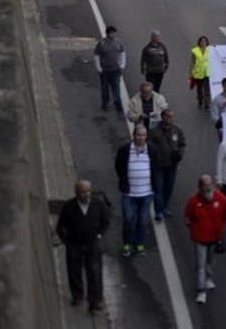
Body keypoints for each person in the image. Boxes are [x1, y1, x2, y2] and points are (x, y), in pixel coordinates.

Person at [55, 179, 109, 311]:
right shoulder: (69, 207)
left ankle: (95, 301)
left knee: (95, 272)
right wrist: (66, 241)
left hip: (92, 243)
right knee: (74, 271)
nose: (86, 194)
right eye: (82, 192)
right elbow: (60, 226)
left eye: (88, 191)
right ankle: (78, 296)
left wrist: (100, 234)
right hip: (74, 244)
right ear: (76, 193)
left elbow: (105, 221)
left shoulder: (98, 204)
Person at [183, 174, 226, 305]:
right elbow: (187, 219)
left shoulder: (221, 199)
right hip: (200, 239)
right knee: (200, 265)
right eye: (205, 186)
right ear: (200, 188)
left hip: (215, 238)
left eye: (210, 186)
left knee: (210, 261)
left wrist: (222, 229)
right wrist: (195, 230)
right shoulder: (193, 201)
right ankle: (201, 291)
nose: (208, 189)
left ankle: (209, 277)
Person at [114, 125, 159, 257]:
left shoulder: (152, 150)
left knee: (143, 220)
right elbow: (119, 167)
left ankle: (139, 243)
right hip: (129, 193)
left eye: (143, 135)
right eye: (138, 135)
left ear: (146, 137)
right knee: (128, 219)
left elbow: (156, 167)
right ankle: (127, 243)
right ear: (134, 136)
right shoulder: (125, 150)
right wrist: (124, 181)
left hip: (146, 193)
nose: (141, 138)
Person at [148, 109, 187, 220]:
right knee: (158, 188)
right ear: (162, 117)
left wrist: (180, 154)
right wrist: (155, 158)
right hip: (158, 166)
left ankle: (164, 207)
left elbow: (182, 143)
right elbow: (150, 147)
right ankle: (158, 211)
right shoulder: (154, 131)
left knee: (168, 188)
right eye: (168, 116)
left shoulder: (177, 130)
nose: (170, 119)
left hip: (172, 165)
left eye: (171, 117)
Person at [94, 25, 126, 112]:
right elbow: (96, 55)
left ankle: (118, 104)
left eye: (114, 33)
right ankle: (105, 104)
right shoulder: (101, 44)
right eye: (112, 33)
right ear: (108, 33)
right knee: (105, 89)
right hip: (105, 71)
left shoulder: (118, 42)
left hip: (115, 70)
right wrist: (99, 68)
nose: (114, 35)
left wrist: (122, 65)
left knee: (116, 88)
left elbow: (122, 53)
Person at [189, 36, 211, 111]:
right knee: (199, 89)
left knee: (207, 90)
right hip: (198, 73)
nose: (203, 43)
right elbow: (192, 62)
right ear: (199, 42)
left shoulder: (210, 50)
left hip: (207, 73)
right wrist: (190, 73)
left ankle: (207, 104)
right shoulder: (195, 51)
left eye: (204, 41)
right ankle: (200, 99)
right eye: (202, 41)